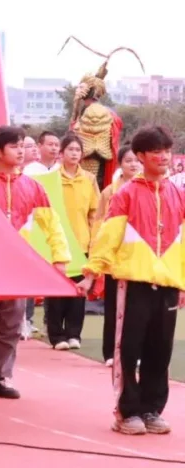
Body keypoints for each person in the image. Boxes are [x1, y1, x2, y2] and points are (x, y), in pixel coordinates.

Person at [77, 126, 185, 435]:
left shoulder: (178, 194)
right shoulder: (125, 194)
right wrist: (91, 273)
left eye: (167, 151)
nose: (164, 157)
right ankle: (127, 412)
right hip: (133, 283)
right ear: (140, 156)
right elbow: (108, 237)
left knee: (160, 351)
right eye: (156, 152)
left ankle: (152, 409)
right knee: (128, 350)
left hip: (167, 284)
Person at [0, 125, 70, 399]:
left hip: (18, 267)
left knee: (11, 322)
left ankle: (2, 375)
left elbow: (52, 225)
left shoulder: (33, 187)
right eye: (14, 147)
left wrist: (60, 257)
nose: (21, 152)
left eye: (22, 146)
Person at [46, 133, 100, 350]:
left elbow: (94, 212)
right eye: (70, 149)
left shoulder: (89, 179)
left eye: (78, 150)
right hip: (57, 242)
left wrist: (94, 238)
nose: (74, 153)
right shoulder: (52, 179)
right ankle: (56, 335)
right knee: (55, 291)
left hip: (81, 241)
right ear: (61, 153)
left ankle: (74, 333)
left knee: (79, 291)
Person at [96, 145, 140, 367]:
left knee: (137, 308)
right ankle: (110, 352)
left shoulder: (148, 189)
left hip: (138, 257)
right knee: (114, 307)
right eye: (128, 160)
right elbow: (99, 224)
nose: (133, 164)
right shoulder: (109, 192)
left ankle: (133, 353)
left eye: (136, 160)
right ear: (120, 164)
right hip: (114, 257)